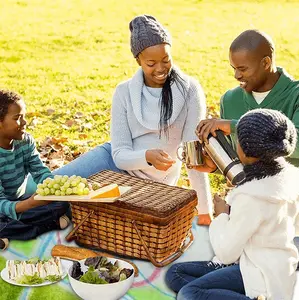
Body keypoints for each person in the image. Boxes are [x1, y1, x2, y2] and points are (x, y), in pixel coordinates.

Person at [36, 15, 213, 225]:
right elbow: (119, 155)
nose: (160, 68)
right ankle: (14, 212)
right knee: (45, 189)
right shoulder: (124, 92)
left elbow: (193, 156)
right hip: (112, 162)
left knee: (90, 215)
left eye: (166, 60)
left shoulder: (190, 90)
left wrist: (205, 211)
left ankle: (60, 217)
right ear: (138, 60)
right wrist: (146, 156)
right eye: (151, 63)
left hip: (150, 185)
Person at [165, 108, 299, 300]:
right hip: (276, 267)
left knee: (189, 292)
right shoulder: (292, 178)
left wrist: (222, 215)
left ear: (244, 149)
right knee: (175, 273)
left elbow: (226, 252)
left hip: (259, 275)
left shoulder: (251, 197)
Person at [194, 29, 299, 261]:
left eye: (242, 69)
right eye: (233, 68)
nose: (236, 75)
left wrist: (234, 126)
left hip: (289, 209)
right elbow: (242, 161)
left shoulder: (296, 95)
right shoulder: (230, 100)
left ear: (266, 62)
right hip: (248, 206)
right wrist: (217, 164)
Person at [0, 90, 70, 250]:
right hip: (4, 207)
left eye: (24, 116)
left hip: (19, 200)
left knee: (63, 203)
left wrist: (55, 190)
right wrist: (29, 205)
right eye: (17, 118)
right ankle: (44, 225)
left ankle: (11, 232)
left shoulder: (25, 141)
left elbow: (40, 172)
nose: (24, 122)